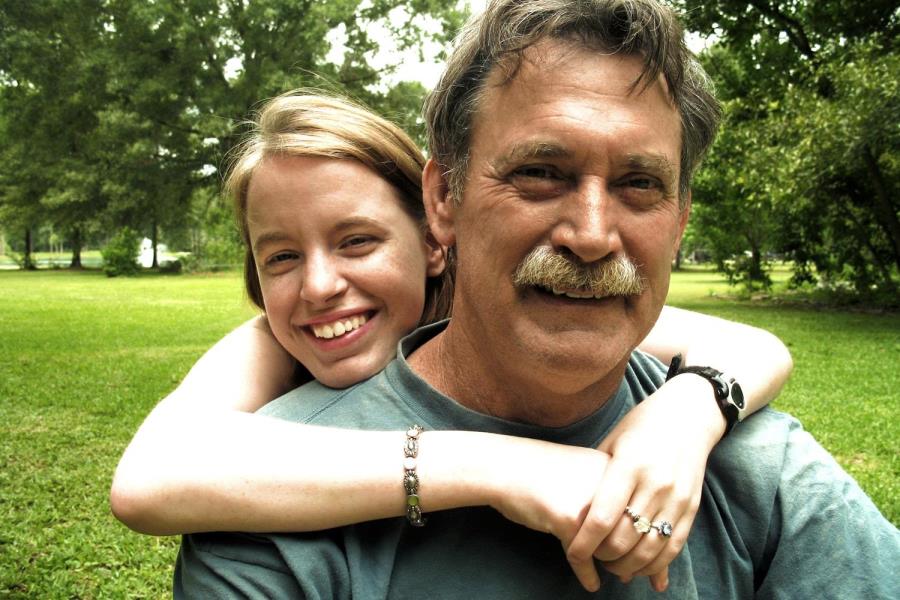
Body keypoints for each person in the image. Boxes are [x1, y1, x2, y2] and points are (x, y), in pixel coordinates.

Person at [173, 0, 900, 597]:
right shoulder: (272, 510)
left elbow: (754, 348)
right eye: (542, 172)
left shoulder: (760, 469)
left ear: (680, 222)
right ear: (443, 199)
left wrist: (693, 405)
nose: (591, 235)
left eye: (639, 184)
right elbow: (157, 474)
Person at [110, 88, 793, 591]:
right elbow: (147, 484)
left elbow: (758, 348)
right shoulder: (267, 343)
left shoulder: (514, 306)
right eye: (281, 256)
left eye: (357, 241)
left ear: (436, 237)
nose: (319, 285)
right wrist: (500, 466)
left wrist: (685, 414)